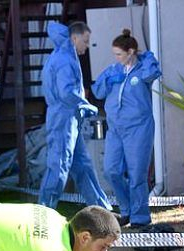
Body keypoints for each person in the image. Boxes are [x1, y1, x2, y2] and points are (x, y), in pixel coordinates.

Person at [39, 21, 112, 211]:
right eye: (85, 42)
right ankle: (44, 213)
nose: (87, 47)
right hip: (64, 118)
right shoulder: (65, 59)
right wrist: (85, 105)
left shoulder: (64, 56)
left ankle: (101, 210)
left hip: (70, 118)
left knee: (83, 166)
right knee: (59, 166)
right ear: (74, 38)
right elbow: (66, 92)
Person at [92, 29, 161, 228]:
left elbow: (153, 73)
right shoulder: (115, 70)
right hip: (116, 129)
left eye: (119, 54)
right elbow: (98, 90)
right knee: (111, 170)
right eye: (115, 54)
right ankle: (127, 209)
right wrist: (108, 79)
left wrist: (147, 58)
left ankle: (139, 217)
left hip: (138, 129)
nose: (116, 58)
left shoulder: (143, 69)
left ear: (131, 52)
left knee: (137, 174)